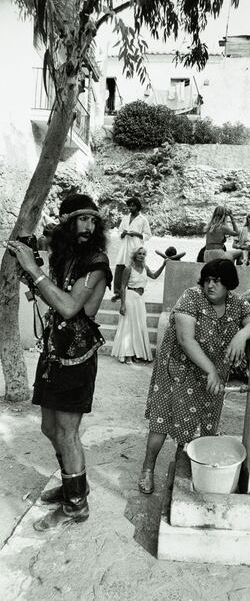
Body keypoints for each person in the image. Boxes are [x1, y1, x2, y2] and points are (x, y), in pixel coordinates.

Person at [7, 194, 113, 531]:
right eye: (81, 219)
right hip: (55, 352)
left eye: (93, 220)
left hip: (77, 357)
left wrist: (33, 271)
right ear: (66, 223)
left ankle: (76, 504)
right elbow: (51, 292)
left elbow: (69, 307)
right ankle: (74, 482)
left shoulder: (96, 262)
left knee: (67, 432)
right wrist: (34, 273)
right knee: (49, 428)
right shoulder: (67, 256)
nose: (88, 226)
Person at [138, 259, 250, 494]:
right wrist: (212, 371)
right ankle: (147, 468)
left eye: (217, 281)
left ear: (229, 284)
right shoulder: (191, 297)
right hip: (178, 369)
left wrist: (241, 336)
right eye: (207, 280)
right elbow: (186, 340)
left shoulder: (236, 304)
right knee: (162, 420)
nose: (210, 286)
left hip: (209, 374)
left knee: (195, 425)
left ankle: (181, 468)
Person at [112, 248, 168, 364]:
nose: (141, 256)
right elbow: (122, 287)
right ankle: (127, 355)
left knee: (139, 326)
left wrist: (163, 265)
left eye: (143, 254)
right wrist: (122, 304)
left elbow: (154, 276)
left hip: (139, 299)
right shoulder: (128, 269)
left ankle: (136, 354)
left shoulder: (145, 268)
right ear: (135, 255)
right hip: (130, 297)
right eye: (139, 253)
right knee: (129, 326)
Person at [112, 196, 151, 301]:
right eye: (129, 206)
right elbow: (119, 232)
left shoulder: (143, 220)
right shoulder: (125, 218)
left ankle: (132, 291)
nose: (131, 208)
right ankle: (118, 292)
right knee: (120, 267)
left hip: (135, 247)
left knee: (132, 268)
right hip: (124, 246)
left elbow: (148, 235)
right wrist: (123, 234)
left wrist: (137, 234)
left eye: (133, 206)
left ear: (137, 207)